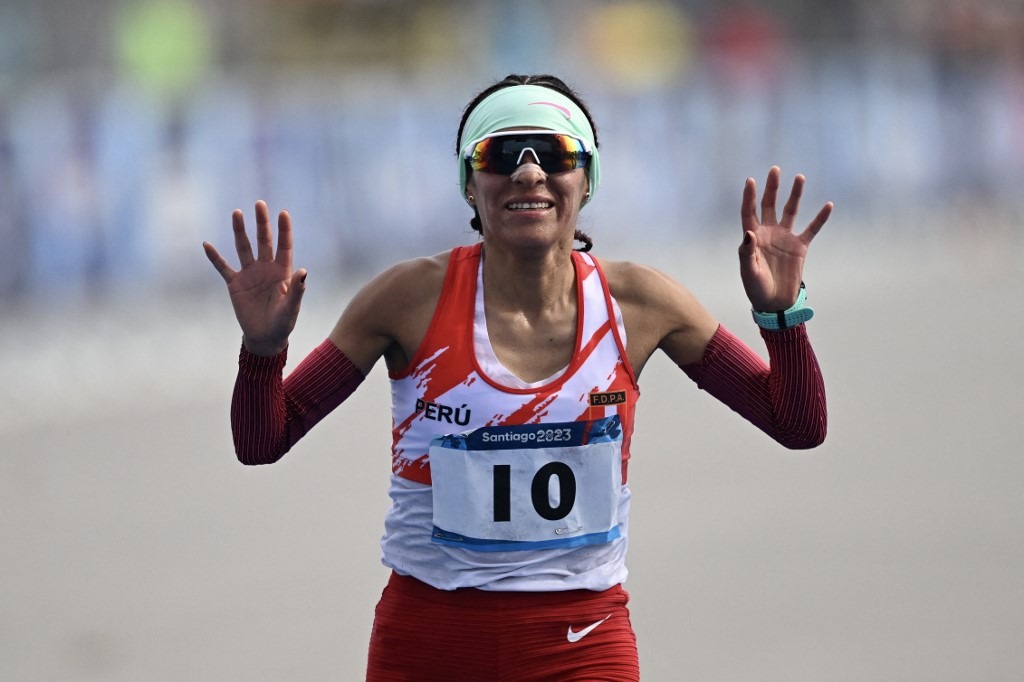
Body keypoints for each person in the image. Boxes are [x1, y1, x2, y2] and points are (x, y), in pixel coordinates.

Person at [203, 73, 831, 681]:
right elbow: (263, 442)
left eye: (556, 155)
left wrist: (782, 314)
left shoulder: (640, 303)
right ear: (469, 184)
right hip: (427, 647)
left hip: (582, 647)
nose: (529, 172)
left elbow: (797, 425)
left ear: (586, 181)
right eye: (500, 154)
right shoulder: (406, 299)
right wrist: (263, 348)